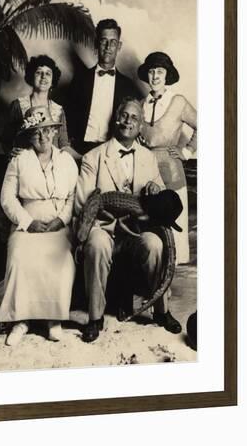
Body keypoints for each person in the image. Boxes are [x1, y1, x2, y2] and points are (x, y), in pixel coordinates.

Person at [75, 97, 182, 343]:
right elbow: (83, 203)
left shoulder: (148, 158)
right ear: (116, 119)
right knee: (98, 244)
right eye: (124, 115)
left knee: (155, 244)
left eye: (135, 117)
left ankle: (161, 311)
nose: (128, 121)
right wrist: (109, 215)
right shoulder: (94, 157)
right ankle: (95, 317)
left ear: (141, 125)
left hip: (136, 230)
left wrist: (156, 188)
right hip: (103, 228)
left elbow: (160, 201)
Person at [0, 105, 79, 346]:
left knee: (62, 261)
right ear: (29, 135)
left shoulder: (67, 161)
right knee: (20, 257)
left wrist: (61, 220)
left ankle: (52, 319)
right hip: (27, 222)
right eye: (36, 132)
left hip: (58, 223)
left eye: (47, 131)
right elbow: (7, 198)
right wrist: (28, 222)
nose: (42, 137)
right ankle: (20, 320)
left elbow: (73, 196)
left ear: (55, 132)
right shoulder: (19, 160)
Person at [138, 52, 197, 264]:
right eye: (151, 71)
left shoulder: (178, 102)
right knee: (150, 227)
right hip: (146, 172)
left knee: (174, 229)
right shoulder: (140, 104)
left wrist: (187, 152)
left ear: (167, 75)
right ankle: (154, 273)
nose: (155, 76)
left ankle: (171, 273)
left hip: (171, 170)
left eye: (160, 72)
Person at [65, 18, 142, 157]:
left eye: (113, 42)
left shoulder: (128, 86)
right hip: (80, 150)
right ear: (96, 44)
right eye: (103, 41)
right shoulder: (80, 80)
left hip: (113, 151)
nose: (108, 47)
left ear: (119, 46)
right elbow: (66, 115)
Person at [2, 54, 81, 160]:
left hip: (51, 166)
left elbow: (64, 145)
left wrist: (83, 158)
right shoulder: (17, 105)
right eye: (39, 72)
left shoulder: (58, 110)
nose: (44, 77)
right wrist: (10, 151)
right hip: (25, 165)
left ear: (53, 80)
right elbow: (6, 139)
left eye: (48, 74)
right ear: (31, 76)